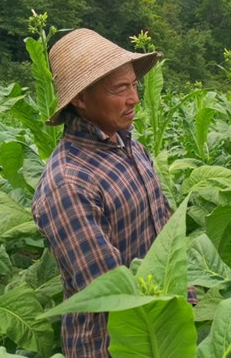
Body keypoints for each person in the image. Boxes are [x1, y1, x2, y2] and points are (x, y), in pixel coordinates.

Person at [31, 28, 191, 357]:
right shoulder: (69, 184)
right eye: (120, 89)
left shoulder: (129, 144)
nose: (134, 98)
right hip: (114, 346)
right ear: (80, 98)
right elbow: (110, 293)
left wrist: (184, 297)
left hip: (160, 330)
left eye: (134, 84)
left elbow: (165, 231)